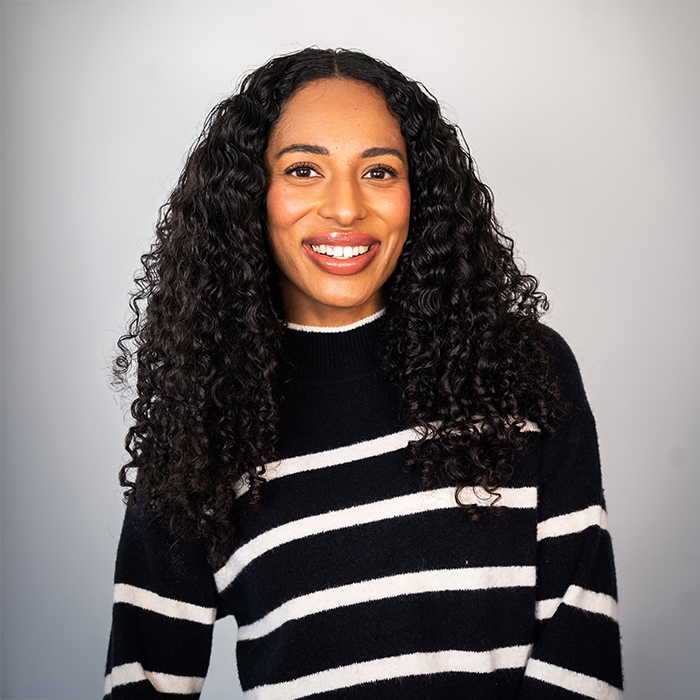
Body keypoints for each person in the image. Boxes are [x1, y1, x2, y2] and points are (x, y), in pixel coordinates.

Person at [104, 48, 622, 699]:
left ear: (418, 194)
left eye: (378, 170)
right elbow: (141, 678)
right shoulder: (204, 418)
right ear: (248, 198)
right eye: (303, 170)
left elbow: (582, 637)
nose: (345, 207)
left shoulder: (521, 369)